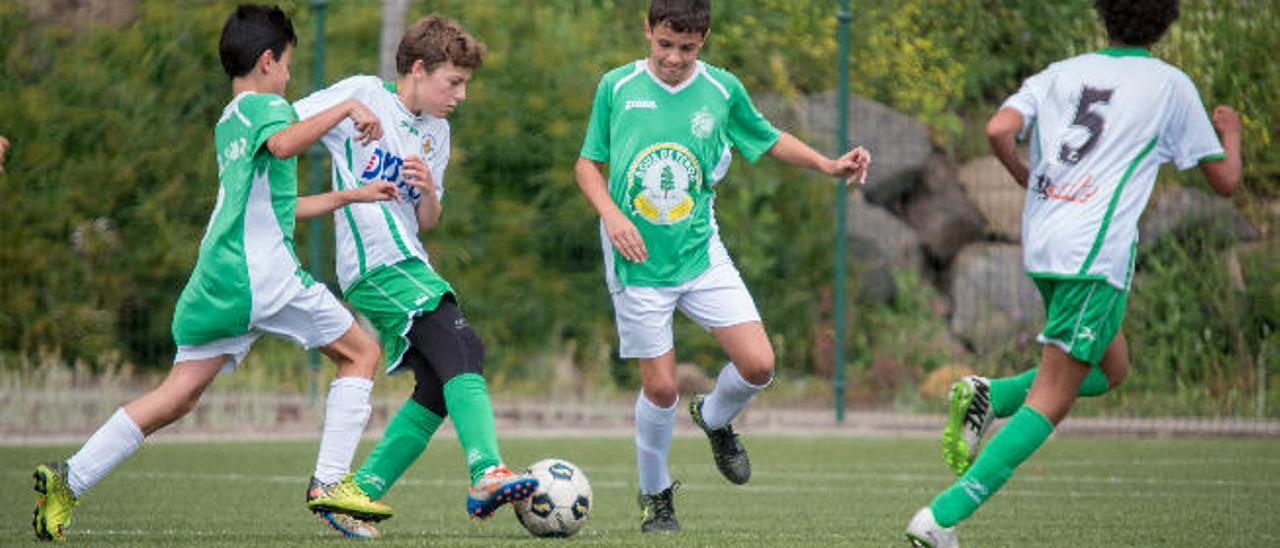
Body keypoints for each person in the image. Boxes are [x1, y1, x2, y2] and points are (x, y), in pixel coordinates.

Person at [30, 5, 401, 541]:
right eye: (289, 66)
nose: (290, 79)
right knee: (362, 354)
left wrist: (351, 195)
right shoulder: (267, 108)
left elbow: (275, 207)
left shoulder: (229, 121)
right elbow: (284, 143)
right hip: (259, 277)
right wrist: (347, 106)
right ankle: (329, 484)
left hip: (217, 280)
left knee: (176, 396)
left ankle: (69, 480)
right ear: (269, 61)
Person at [906, 1, 1242, 546]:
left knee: (1112, 369)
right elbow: (1225, 179)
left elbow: (998, 129)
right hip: (1094, 253)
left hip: (1044, 241)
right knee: (1054, 398)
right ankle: (940, 519)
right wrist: (1232, 132)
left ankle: (988, 395)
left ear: (1102, 14)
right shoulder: (1169, 84)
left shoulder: (1061, 73)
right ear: (1169, 20)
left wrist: (1024, 173)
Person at [574, 0, 870, 534]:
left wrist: (827, 163)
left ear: (703, 40)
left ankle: (713, 417)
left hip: (700, 253)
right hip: (637, 261)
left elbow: (769, 137)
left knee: (759, 365)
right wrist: (612, 214)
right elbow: (587, 163)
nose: (673, 58)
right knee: (661, 388)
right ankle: (655, 496)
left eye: (686, 48)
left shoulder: (722, 89)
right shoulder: (616, 87)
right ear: (648, 31)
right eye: (664, 44)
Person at [291, 14, 537, 539]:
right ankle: (487, 472)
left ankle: (358, 496)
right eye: (454, 82)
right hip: (374, 264)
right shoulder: (363, 93)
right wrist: (347, 111)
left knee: (437, 383)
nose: (461, 95)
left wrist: (426, 189)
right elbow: (287, 125)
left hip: (409, 260)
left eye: (466, 84)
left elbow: (428, 221)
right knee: (465, 345)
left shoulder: (437, 133)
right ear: (419, 69)